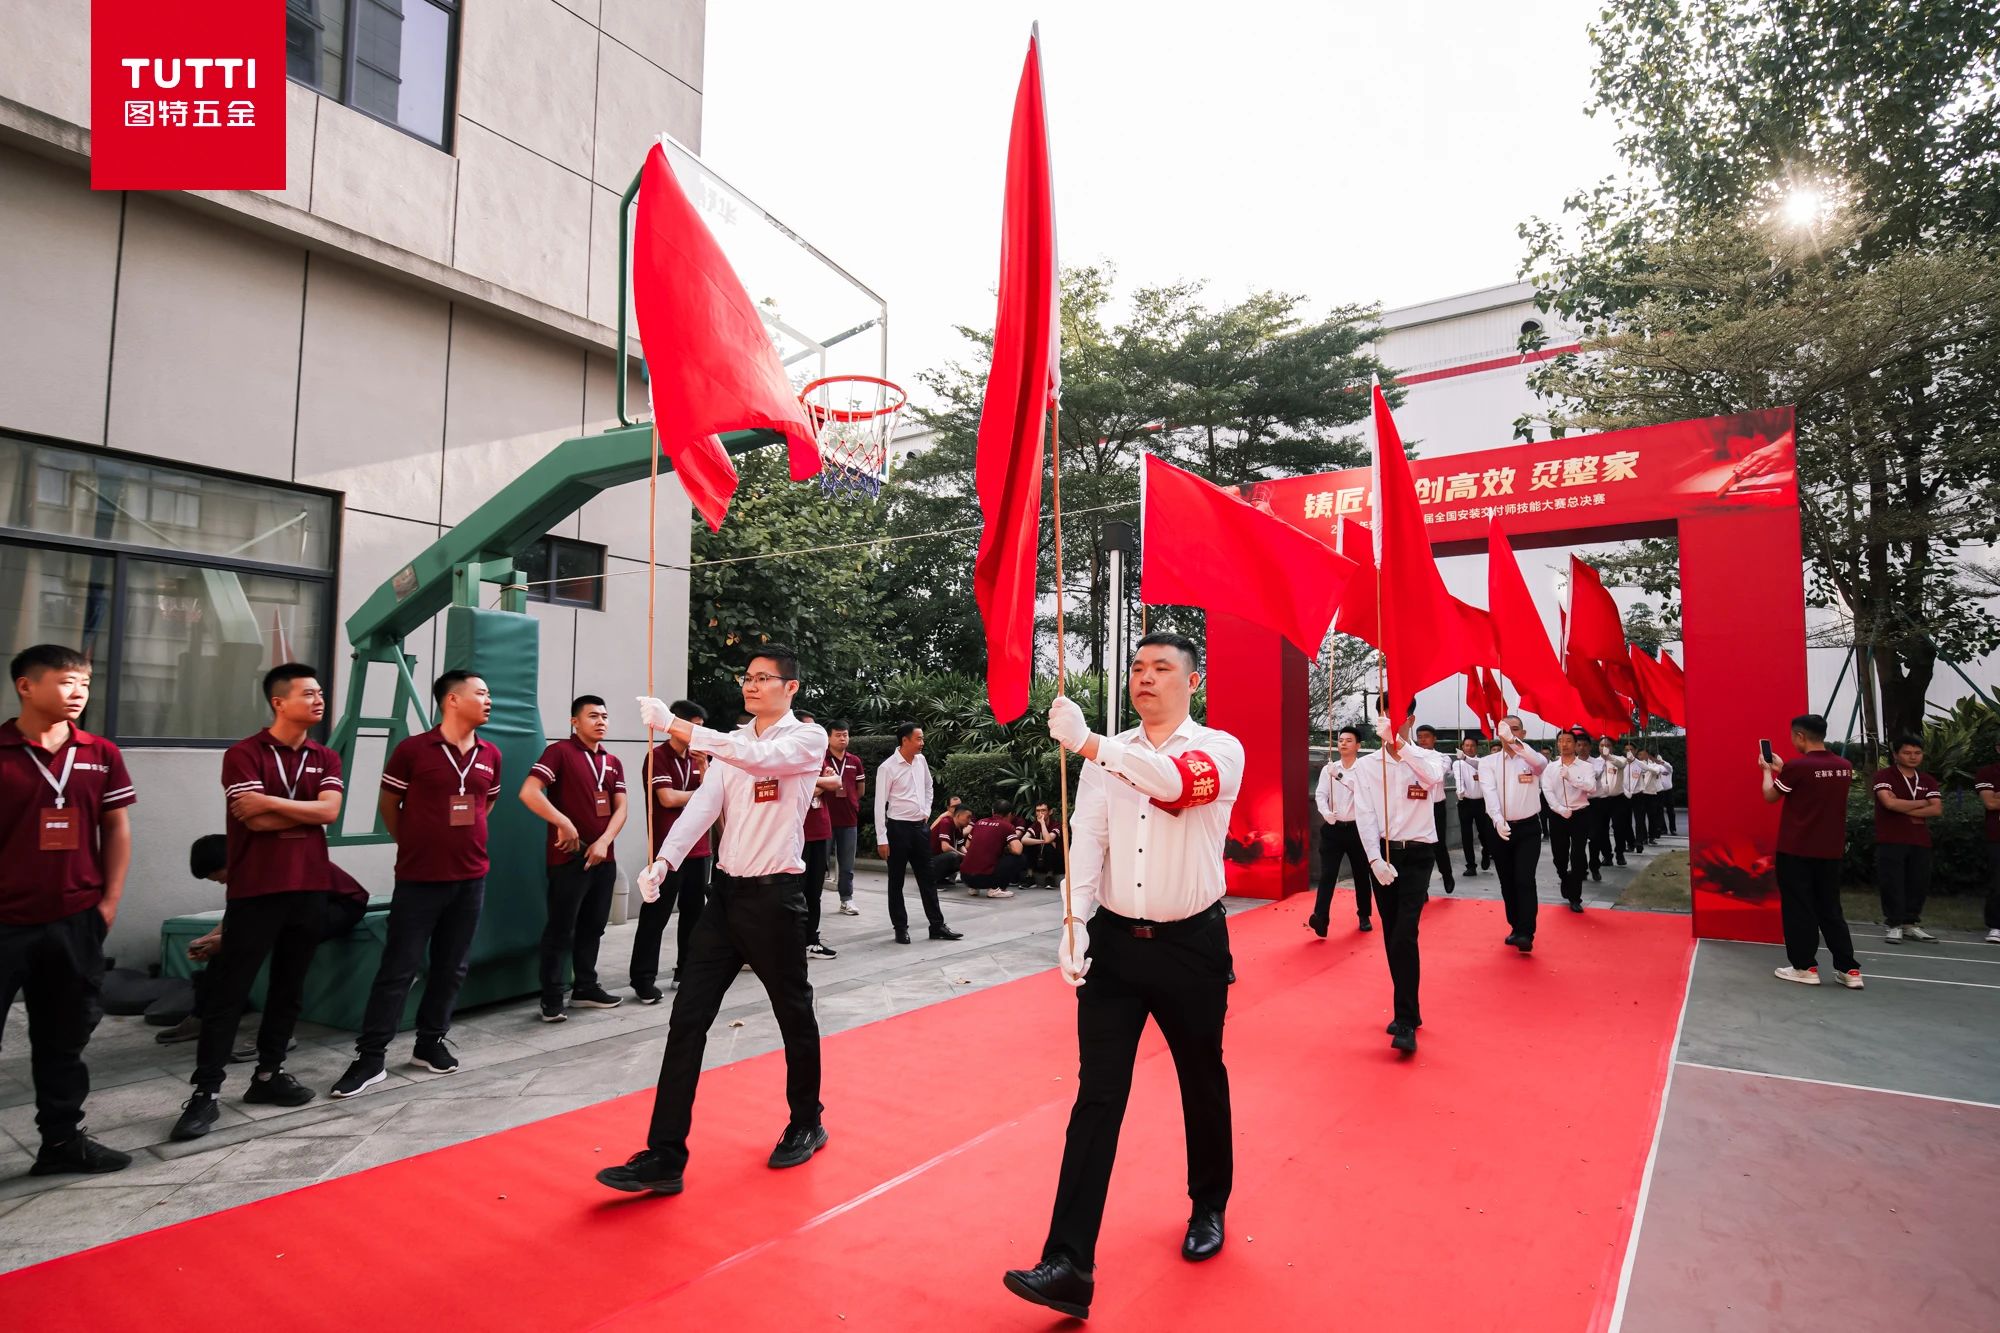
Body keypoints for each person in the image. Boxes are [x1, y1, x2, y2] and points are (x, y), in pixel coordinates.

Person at [1004, 633, 1244, 1320]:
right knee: (1097, 1096)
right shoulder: (1104, 756)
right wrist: (1073, 920)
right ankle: (1068, 1262)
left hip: (1191, 945)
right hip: (1115, 947)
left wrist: (1090, 744)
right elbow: (1089, 840)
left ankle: (1208, 1203)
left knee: (1201, 1075)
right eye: (1138, 666)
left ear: (1191, 682)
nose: (1145, 676)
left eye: (1162, 667)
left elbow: (1174, 787)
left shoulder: (1219, 749)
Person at [595, 647, 830, 1196]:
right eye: (747, 677)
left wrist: (676, 726)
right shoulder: (732, 742)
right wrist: (664, 861)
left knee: (793, 1013)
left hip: (776, 901)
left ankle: (806, 1120)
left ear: (790, 688)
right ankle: (665, 1154)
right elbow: (702, 807)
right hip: (724, 899)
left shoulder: (806, 739)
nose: (751, 684)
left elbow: (760, 761)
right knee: (687, 1020)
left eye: (763, 677)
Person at [172, 664, 344, 1142]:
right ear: (278, 702)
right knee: (229, 993)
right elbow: (253, 821)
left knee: (289, 988)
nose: (319, 699)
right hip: (256, 892)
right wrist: (303, 813)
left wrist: (271, 803)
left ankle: (269, 1075)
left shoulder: (326, 757)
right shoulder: (244, 754)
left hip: (309, 888)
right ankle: (205, 1092)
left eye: (320, 693)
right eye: (308, 693)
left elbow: (329, 812)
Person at [328, 673, 501, 1097]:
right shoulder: (413, 750)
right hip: (420, 879)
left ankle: (430, 1043)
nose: (488, 699)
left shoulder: (491, 754)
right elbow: (390, 804)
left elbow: (486, 804)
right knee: (398, 968)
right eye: (481, 693)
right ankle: (371, 1057)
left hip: (471, 879)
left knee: (452, 966)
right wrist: (415, 843)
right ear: (452, 700)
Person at [0, 645, 135, 1175]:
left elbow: (116, 827)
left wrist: (109, 902)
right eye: (65, 681)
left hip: (75, 921)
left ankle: (61, 1143)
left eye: (85, 682)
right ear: (25, 686)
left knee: (64, 1039)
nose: (79, 692)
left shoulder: (101, 752)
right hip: (5, 922)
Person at [157, 835, 369, 1048]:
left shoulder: (275, 866)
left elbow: (278, 920)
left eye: (219, 877)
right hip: (298, 908)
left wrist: (229, 940)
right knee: (227, 949)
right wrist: (207, 940)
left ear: (231, 859)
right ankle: (202, 1017)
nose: (220, 883)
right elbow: (236, 913)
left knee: (288, 945)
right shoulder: (243, 871)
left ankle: (279, 1034)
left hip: (341, 904)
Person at [521, 695, 629, 1021]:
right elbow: (529, 792)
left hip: (604, 858)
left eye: (604, 716)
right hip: (569, 858)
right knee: (561, 929)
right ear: (574, 722)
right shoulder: (560, 752)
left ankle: (585, 988)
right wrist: (563, 822)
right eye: (593, 716)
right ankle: (552, 997)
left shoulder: (612, 761)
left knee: (593, 927)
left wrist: (604, 841)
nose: (601, 721)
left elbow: (621, 808)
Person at [1351, 716, 1446, 1053]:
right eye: (1387, 716)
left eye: (1401, 717)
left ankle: (1404, 1020)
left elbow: (1433, 779)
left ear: (1411, 720)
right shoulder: (1367, 766)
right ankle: (1410, 1008)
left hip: (1418, 854)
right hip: (1385, 854)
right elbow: (1364, 813)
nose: (1394, 722)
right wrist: (1374, 859)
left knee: (1405, 932)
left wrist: (1400, 745)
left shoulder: (1429, 757)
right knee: (1392, 934)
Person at [1762, 714, 1863, 987]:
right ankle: (1849, 969)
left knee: (1799, 908)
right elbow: (1810, 787)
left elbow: (1770, 795)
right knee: (1830, 908)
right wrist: (1784, 769)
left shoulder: (1798, 767)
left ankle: (1805, 966)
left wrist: (1767, 771)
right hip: (1830, 850)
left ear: (1800, 736)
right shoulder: (1844, 766)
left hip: (1796, 848)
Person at [630, 700, 713, 1001]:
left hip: (699, 849)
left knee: (694, 914)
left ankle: (684, 971)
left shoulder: (699, 757)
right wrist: (700, 796)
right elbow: (667, 798)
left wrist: (703, 768)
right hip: (667, 852)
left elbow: (714, 796)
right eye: (693, 727)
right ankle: (642, 979)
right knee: (656, 914)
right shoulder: (658, 756)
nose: (696, 734)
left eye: (700, 728)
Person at [875, 724, 961, 944]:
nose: (922, 743)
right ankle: (900, 928)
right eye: (918, 739)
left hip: (920, 828)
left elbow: (929, 787)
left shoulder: (921, 761)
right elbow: (879, 805)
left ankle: (937, 925)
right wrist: (882, 838)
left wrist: (925, 811)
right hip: (897, 829)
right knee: (896, 881)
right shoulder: (887, 767)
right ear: (905, 740)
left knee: (928, 878)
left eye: (922, 738)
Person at [1479, 715, 1548, 953]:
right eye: (1505, 730)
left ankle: (1526, 932)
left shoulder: (1531, 758)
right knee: (1507, 880)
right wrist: (1497, 819)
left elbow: (1541, 764)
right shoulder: (1488, 762)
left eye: (1515, 729)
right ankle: (1516, 926)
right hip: (1499, 828)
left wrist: (1516, 744)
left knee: (1524, 878)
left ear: (1523, 733)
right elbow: (1489, 792)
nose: (1510, 733)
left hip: (1528, 828)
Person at [1873, 736, 1942, 943]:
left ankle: (1910, 924)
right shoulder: (1884, 776)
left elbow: (1936, 809)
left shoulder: (1927, 780)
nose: (1913, 757)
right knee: (1892, 882)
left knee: (1918, 883)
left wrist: (1903, 805)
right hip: (1891, 838)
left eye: (1917, 753)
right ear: (1896, 755)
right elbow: (1889, 804)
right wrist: (1922, 803)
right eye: (1907, 753)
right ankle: (1894, 924)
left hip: (1920, 840)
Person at [1311, 727, 1373, 936]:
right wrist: (1326, 813)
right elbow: (1320, 794)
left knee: (1361, 874)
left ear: (1358, 745)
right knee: (1327, 874)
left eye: (1349, 740)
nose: (1343, 743)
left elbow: (1361, 792)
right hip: (1333, 829)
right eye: (1340, 740)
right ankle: (1321, 918)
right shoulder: (1329, 768)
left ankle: (1364, 914)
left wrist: (1338, 776)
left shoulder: (1363, 770)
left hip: (1357, 829)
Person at [797, 712, 842, 961]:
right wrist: (821, 783)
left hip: (820, 831)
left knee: (814, 891)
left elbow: (835, 782)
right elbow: (799, 788)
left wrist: (818, 784)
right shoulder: (790, 758)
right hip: (797, 834)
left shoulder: (820, 758)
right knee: (795, 891)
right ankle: (792, 942)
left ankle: (811, 940)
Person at [1541, 731, 1598, 912]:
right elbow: (1547, 790)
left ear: (1574, 744)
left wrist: (1571, 778)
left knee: (1578, 855)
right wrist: (1559, 808)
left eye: (1568, 741)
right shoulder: (1551, 768)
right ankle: (1565, 878)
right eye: (1560, 741)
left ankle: (1575, 897)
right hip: (1558, 815)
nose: (1564, 744)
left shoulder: (1585, 767)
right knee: (1559, 856)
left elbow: (1592, 787)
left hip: (1580, 814)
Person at [822, 719, 866, 916]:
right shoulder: (821, 759)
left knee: (847, 865)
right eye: (838, 735)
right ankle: (812, 900)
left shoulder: (854, 761)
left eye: (845, 735)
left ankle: (846, 899)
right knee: (820, 864)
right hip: (825, 820)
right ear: (828, 738)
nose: (842, 738)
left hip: (849, 820)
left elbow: (860, 790)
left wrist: (852, 802)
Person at [1413, 725, 1456, 895]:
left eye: (1426, 736)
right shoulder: (1411, 756)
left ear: (1434, 738)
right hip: (1417, 807)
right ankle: (1422, 888)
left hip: (1436, 806)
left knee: (1438, 845)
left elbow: (1436, 775)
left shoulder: (1443, 758)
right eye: (1420, 737)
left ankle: (1447, 874)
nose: (1423, 740)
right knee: (1419, 847)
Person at [961, 802, 1026, 897]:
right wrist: (1006, 848)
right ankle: (995, 888)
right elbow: (1018, 850)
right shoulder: (1007, 826)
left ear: (992, 811)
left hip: (965, 877)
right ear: (1010, 814)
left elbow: (967, 846)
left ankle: (973, 888)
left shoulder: (979, 823)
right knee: (1020, 858)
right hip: (985, 879)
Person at [1452, 737, 1494, 877]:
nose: (1469, 748)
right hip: (1466, 802)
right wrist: (1460, 791)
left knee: (1484, 832)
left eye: (1472, 745)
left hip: (1482, 802)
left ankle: (1486, 851)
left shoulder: (1482, 762)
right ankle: (1470, 865)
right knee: (1466, 835)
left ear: (1476, 747)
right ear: (1462, 747)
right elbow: (1458, 779)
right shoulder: (1458, 764)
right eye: (1466, 745)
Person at [1976, 743, 2000, 944]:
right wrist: (1995, 797)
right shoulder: (1988, 773)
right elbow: (1990, 803)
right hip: (1997, 836)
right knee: (1998, 882)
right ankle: (1996, 926)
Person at [1596, 739, 1632, 869]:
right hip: (1601, 799)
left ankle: (1620, 853)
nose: (1604, 747)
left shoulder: (1619, 759)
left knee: (1619, 827)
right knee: (1601, 828)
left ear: (1612, 747)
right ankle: (1607, 855)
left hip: (1617, 799)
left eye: (1608, 745)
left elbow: (1621, 764)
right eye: (1602, 745)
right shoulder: (1595, 762)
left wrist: (1609, 757)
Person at [1020, 801, 1064, 887]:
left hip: (1057, 863)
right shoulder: (1035, 825)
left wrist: (1043, 823)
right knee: (1030, 845)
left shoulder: (1056, 825)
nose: (1040, 813)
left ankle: (1049, 877)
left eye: (1043, 810)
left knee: (1048, 846)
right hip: (1040, 860)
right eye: (1038, 811)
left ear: (1050, 812)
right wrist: (1041, 841)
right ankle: (1030, 876)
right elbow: (1023, 840)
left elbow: (1048, 839)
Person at [931, 806, 972, 884]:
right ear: (958, 816)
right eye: (968, 817)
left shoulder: (959, 827)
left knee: (963, 857)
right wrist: (963, 856)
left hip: (937, 860)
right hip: (928, 862)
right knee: (953, 856)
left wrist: (968, 856)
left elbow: (960, 846)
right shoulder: (946, 822)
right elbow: (945, 847)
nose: (969, 821)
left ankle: (939, 879)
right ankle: (931, 880)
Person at [1658, 752, 1678, 835]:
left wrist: (1663, 762)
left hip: (1668, 791)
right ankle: (1663, 829)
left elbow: (1669, 767)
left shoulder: (1667, 768)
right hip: (1660, 791)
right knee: (1660, 811)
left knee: (1671, 811)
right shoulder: (1656, 767)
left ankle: (1673, 829)